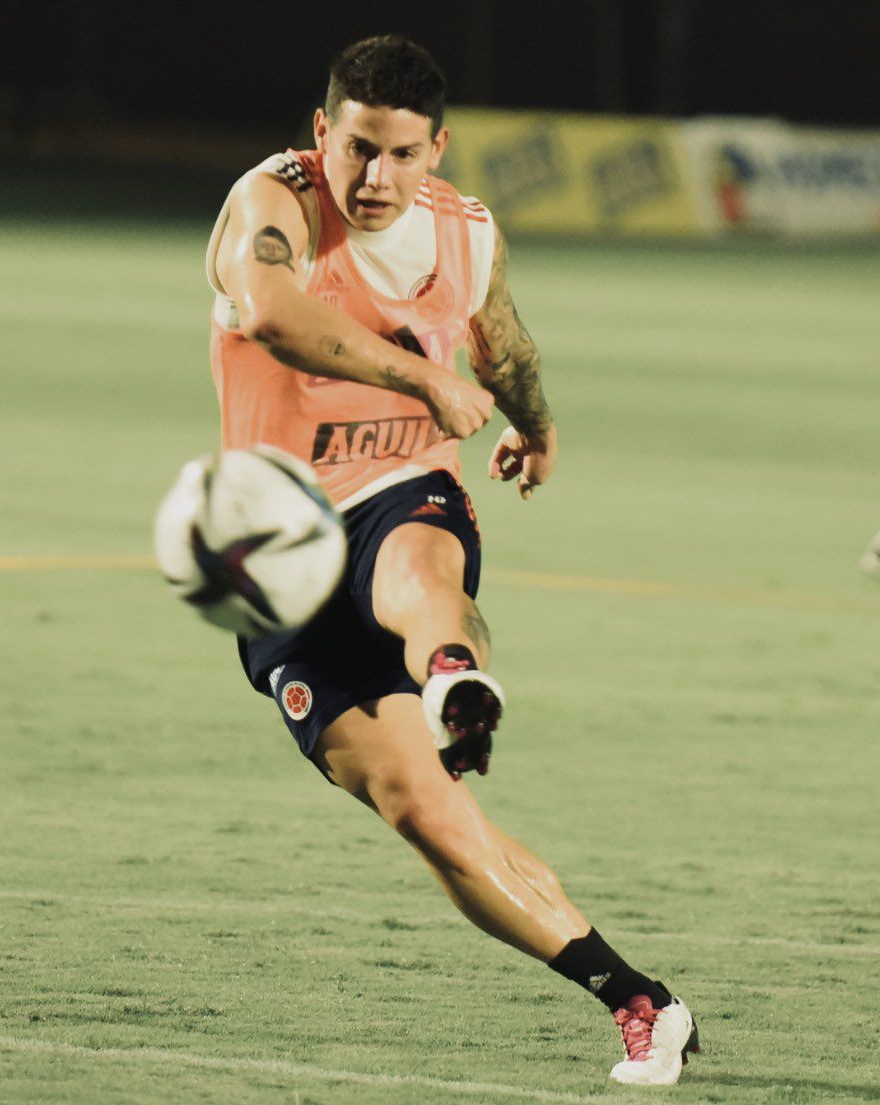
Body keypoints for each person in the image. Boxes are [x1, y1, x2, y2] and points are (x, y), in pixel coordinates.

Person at [205, 34, 699, 1086]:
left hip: (400, 488)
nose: (373, 177)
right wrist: (421, 380)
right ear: (319, 133)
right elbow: (273, 317)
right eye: (355, 149)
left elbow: (502, 341)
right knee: (426, 815)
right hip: (275, 543)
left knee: (419, 577)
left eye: (398, 154)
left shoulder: (466, 233)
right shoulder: (271, 207)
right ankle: (643, 1001)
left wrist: (536, 419)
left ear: (436, 149)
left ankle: (452, 679)